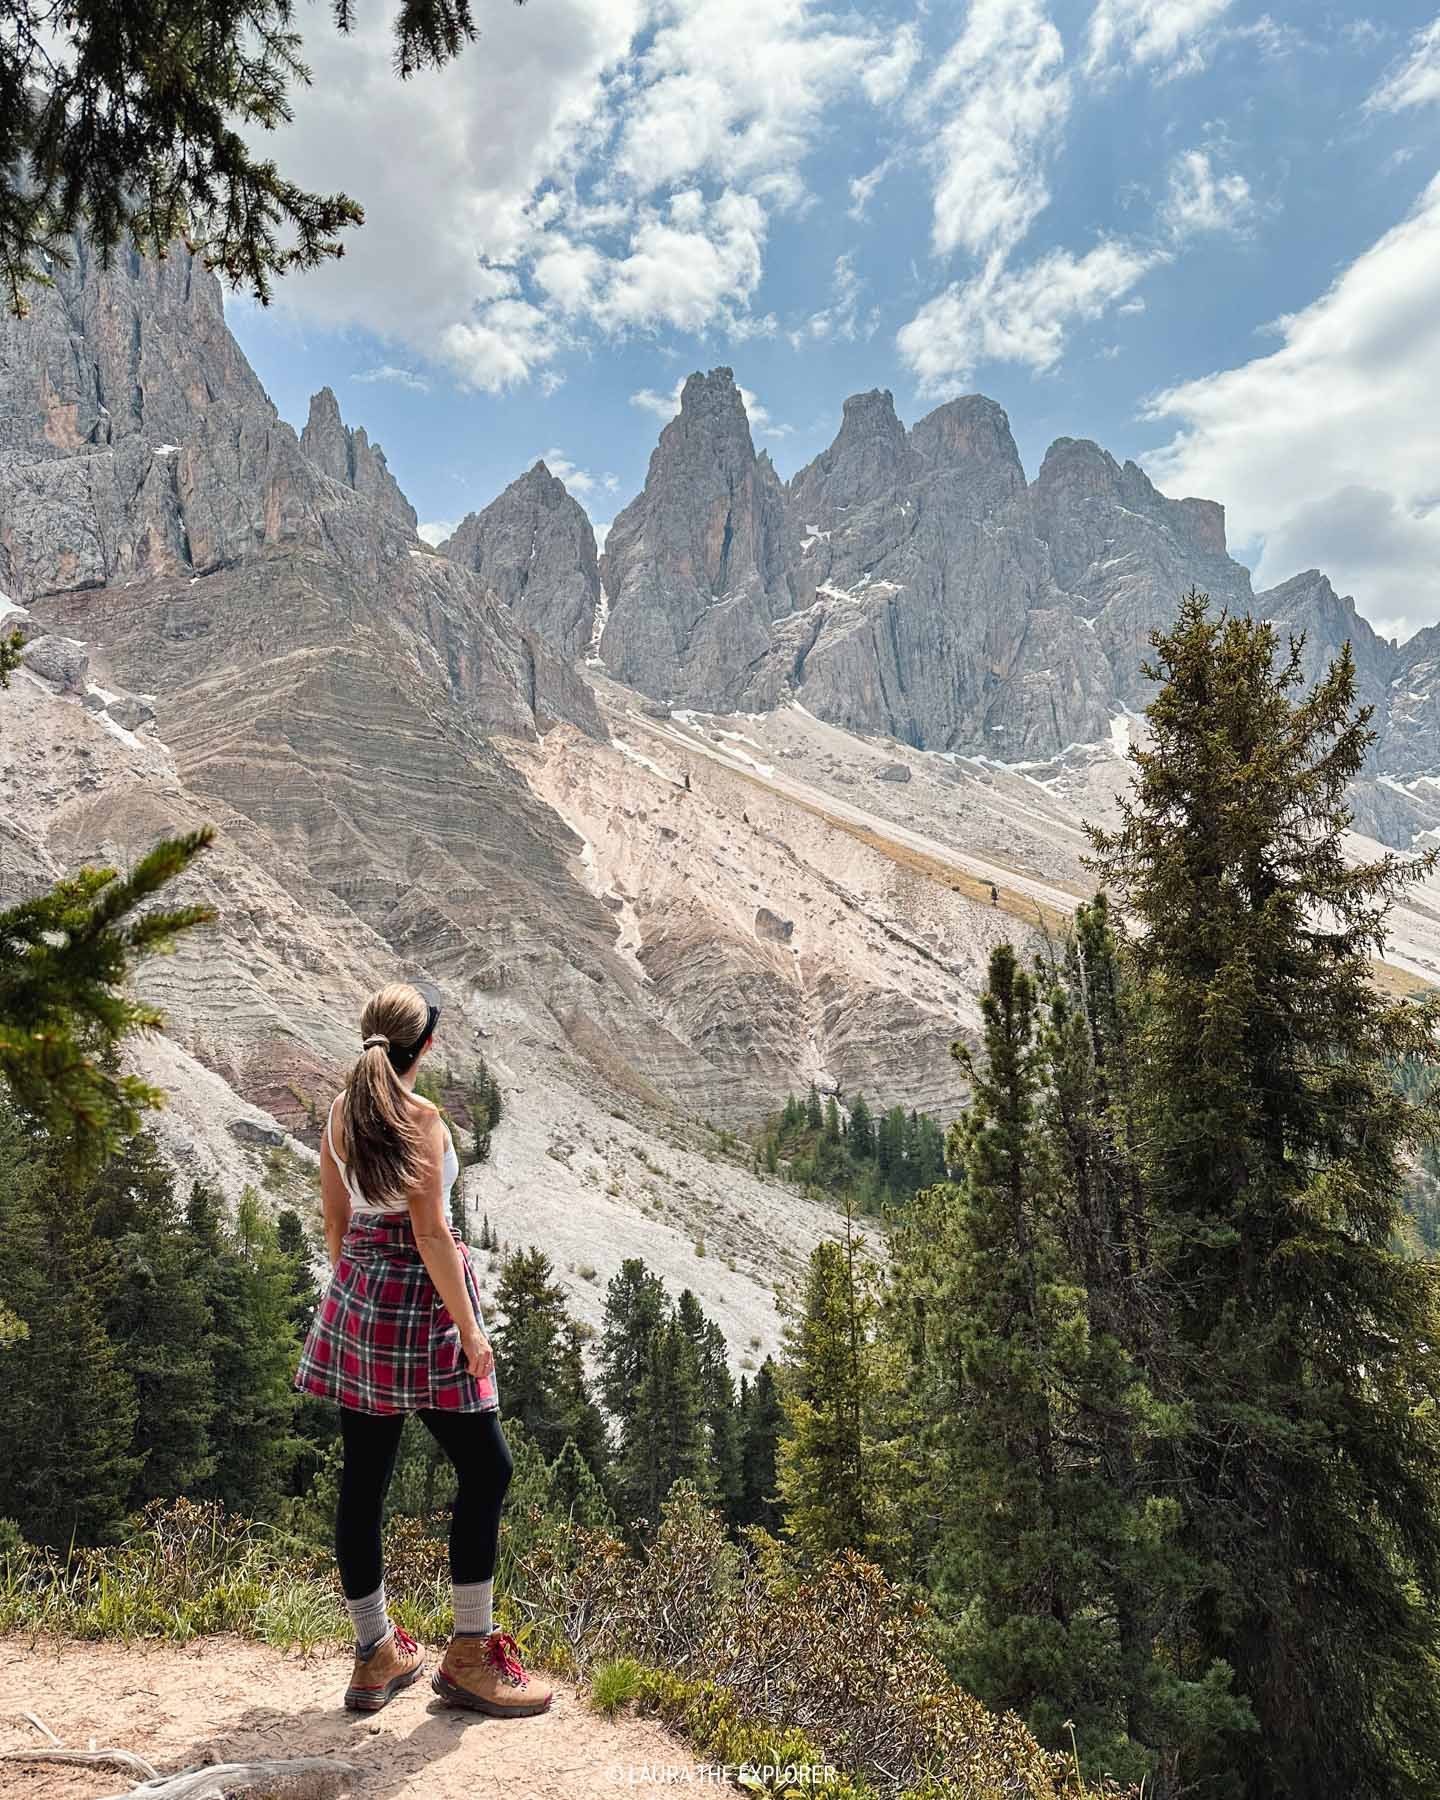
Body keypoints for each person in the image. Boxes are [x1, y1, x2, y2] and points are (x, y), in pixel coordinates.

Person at [294, 980, 552, 1719]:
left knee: (364, 1480)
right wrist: (471, 1328)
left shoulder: (345, 1113)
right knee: (486, 1465)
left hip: (361, 1297)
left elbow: (335, 1221)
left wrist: (351, 1299)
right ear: (426, 1047)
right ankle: (470, 1652)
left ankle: (375, 1652)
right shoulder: (423, 1118)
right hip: (424, 1301)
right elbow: (432, 1232)